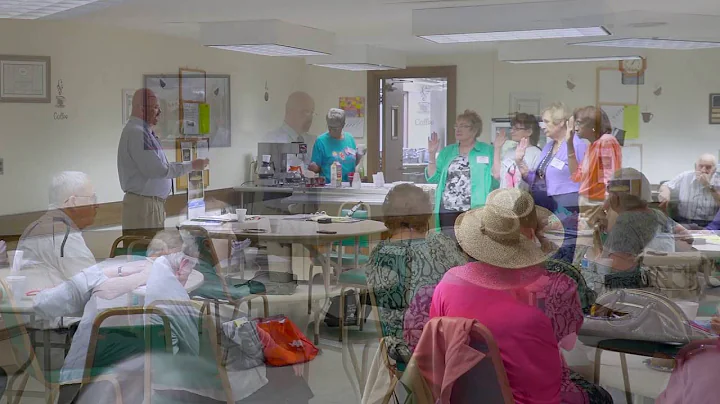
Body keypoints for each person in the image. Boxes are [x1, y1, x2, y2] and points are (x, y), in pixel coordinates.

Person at [485, 188, 611, 404]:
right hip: (542, 392)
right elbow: (572, 341)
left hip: (481, 391)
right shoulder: (560, 279)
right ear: (535, 235)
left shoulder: (460, 284)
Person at [430, 203, 563, 404]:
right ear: (520, 254)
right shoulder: (531, 319)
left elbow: (436, 348)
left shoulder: (448, 283)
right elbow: (547, 395)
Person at [364, 184, 467, 363]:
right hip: (452, 340)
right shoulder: (442, 243)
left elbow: (389, 313)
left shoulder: (380, 255)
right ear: (426, 213)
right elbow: (466, 283)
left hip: (406, 347)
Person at [117, 88, 209, 237]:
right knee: (145, 256)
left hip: (149, 206)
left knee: (153, 253)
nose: (159, 112)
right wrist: (192, 166)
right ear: (141, 108)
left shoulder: (143, 132)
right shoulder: (137, 133)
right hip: (144, 207)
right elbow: (159, 170)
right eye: (155, 107)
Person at [589, 168, 680, 289]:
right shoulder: (658, 215)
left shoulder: (625, 222)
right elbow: (687, 238)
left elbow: (617, 274)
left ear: (615, 198)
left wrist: (597, 243)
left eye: (609, 191)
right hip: (664, 286)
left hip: (637, 295)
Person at [525, 102, 588, 263]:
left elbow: (584, 179)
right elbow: (540, 178)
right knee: (546, 256)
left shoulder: (577, 145)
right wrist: (520, 164)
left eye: (546, 121)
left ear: (560, 123)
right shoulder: (547, 147)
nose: (542, 125)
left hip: (567, 210)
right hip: (545, 209)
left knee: (562, 256)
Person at [17, 171, 98, 289]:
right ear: (74, 202)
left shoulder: (32, 228)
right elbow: (93, 283)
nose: (96, 205)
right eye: (92, 198)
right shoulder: (64, 235)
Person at [426, 109, 497, 238]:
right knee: (448, 247)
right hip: (447, 208)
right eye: (456, 126)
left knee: (474, 247)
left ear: (475, 130)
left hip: (475, 210)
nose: (458, 129)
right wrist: (431, 154)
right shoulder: (447, 152)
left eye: (463, 126)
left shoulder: (487, 151)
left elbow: (496, 179)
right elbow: (433, 178)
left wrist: (498, 149)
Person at [567, 106, 622, 227]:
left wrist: (605, 208)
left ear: (593, 125)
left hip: (598, 203)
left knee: (594, 242)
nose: (575, 128)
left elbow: (609, 176)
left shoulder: (606, 141)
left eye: (579, 123)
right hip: (588, 203)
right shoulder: (592, 146)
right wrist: (569, 143)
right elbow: (576, 176)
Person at [658, 153, 720, 228]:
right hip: (683, 221)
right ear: (695, 167)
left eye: (708, 167)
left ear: (715, 169)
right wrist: (665, 192)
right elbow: (666, 185)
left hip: (710, 224)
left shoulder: (718, 180)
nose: (703, 170)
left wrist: (709, 186)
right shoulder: (685, 176)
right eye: (700, 166)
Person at [308, 108, 364, 183]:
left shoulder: (349, 138)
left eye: (335, 129)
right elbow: (317, 168)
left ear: (343, 125)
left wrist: (359, 156)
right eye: (329, 127)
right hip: (329, 187)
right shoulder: (321, 141)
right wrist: (312, 167)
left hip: (350, 186)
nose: (331, 131)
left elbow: (352, 163)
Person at [266, 91, 317, 169]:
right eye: (306, 112)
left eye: (312, 112)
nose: (310, 118)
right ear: (289, 112)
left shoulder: (314, 141)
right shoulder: (272, 140)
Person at [492, 112, 543, 190]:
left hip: (524, 200)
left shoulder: (537, 153)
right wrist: (497, 148)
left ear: (529, 132)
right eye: (512, 128)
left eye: (516, 129)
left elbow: (538, 183)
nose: (512, 131)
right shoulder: (509, 151)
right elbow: (497, 175)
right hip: (505, 198)